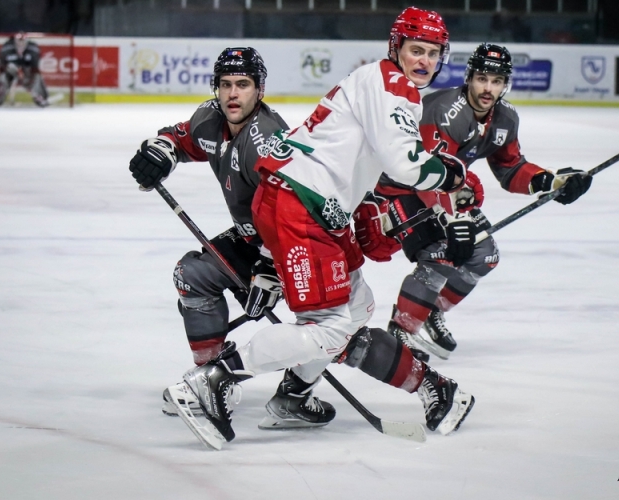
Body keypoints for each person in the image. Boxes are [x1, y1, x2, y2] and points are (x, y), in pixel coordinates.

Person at [163, 7, 475, 447]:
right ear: (396, 49)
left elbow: (387, 162)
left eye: (432, 53)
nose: (422, 60)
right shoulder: (392, 85)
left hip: (311, 206)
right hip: (303, 207)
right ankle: (213, 380)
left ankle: (294, 395)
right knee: (329, 327)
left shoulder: (380, 83)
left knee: (358, 307)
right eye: (415, 50)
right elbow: (404, 164)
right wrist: (449, 178)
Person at [129, 47, 340, 430]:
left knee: (329, 325)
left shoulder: (267, 141)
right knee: (192, 275)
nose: (232, 94)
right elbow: (182, 139)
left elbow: (294, 214)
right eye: (225, 85)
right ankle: (209, 381)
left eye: (242, 85)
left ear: (259, 90)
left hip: (300, 249)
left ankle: (296, 393)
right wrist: (162, 151)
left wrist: (273, 268)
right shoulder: (211, 119)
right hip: (255, 242)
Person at [354, 43, 593, 361]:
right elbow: (424, 173)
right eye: (482, 78)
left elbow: (511, 169)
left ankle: (430, 311)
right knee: (442, 252)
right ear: (469, 78)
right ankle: (402, 330)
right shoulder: (444, 111)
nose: (488, 88)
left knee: (485, 254)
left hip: (445, 192)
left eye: (496, 81)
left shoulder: (505, 118)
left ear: (505, 84)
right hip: (396, 190)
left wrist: (551, 181)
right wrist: (453, 221)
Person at [0, 32, 49, 107]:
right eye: (19, 41)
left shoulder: (33, 49)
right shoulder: (6, 48)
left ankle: (41, 97)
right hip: (10, 71)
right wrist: (10, 70)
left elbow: (35, 68)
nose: (21, 43)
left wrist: (27, 80)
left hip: (27, 72)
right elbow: (2, 66)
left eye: (23, 41)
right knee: (2, 78)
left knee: (37, 78)